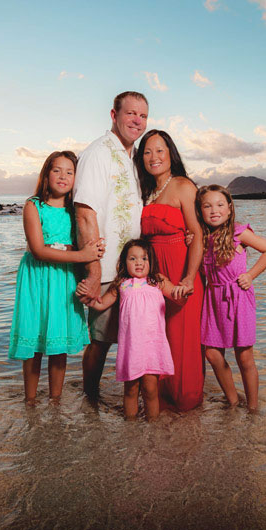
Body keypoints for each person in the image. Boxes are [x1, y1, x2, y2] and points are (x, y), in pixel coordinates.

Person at [9, 151, 105, 404]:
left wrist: (91, 254)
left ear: (77, 178)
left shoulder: (76, 210)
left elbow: (89, 240)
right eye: (57, 170)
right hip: (37, 279)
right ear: (46, 174)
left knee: (57, 340)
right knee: (36, 339)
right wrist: (82, 255)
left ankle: (55, 402)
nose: (63, 176)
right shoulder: (33, 205)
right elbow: (39, 251)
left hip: (64, 279)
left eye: (69, 172)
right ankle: (30, 401)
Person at [73, 91, 149, 401]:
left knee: (133, 339)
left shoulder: (132, 159)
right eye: (130, 113)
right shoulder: (99, 153)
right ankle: (90, 401)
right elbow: (85, 212)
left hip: (131, 267)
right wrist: (93, 273)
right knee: (100, 342)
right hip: (105, 268)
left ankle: (127, 403)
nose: (136, 120)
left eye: (142, 116)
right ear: (113, 115)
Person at [135, 129, 205, 411]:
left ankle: (187, 406)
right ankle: (160, 405)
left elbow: (197, 234)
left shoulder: (183, 186)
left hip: (180, 269)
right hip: (154, 275)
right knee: (156, 337)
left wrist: (189, 277)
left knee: (181, 338)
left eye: (160, 150)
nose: (154, 157)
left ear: (171, 154)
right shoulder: (144, 191)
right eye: (148, 152)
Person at [195, 184, 266, 412]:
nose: (214, 210)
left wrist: (250, 275)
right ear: (200, 210)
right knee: (211, 353)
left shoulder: (239, 232)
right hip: (212, 299)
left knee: (244, 356)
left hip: (238, 297)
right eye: (207, 206)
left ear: (230, 209)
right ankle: (232, 401)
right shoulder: (201, 237)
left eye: (220, 205)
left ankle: (252, 408)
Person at [88, 239, 185, 420]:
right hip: (131, 348)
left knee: (150, 389)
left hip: (152, 346)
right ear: (124, 262)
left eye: (144, 258)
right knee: (130, 389)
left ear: (151, 261)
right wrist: (88, 297)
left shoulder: (157, 281)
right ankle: (130, 426)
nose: (139, 262)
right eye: (133, 259)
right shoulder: (122, 284)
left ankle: (153, 426)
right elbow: (101, 304)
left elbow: (177, 296)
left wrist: (184, 290)